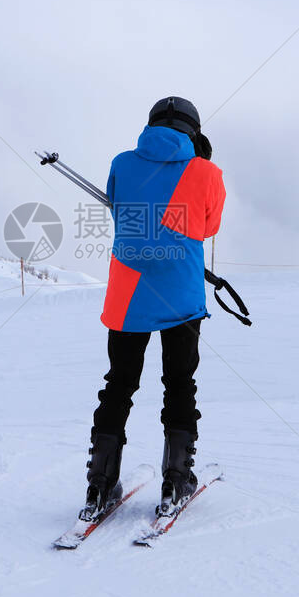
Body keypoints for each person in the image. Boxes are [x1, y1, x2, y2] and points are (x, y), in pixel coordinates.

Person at [80, 96, 226, 520]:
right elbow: (209, 226)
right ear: (193, 130)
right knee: (179, 383)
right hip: (179, 295)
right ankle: (176, 478)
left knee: (118, 385)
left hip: (128, 296)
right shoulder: (206, 171)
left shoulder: (123, 162)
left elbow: (119, 209)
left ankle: (99, 485)